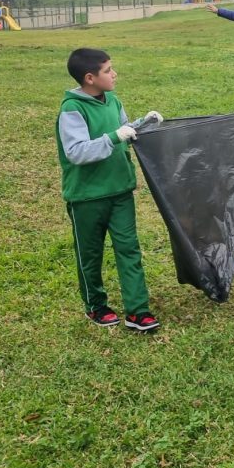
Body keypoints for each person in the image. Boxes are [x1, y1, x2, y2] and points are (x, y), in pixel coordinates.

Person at [56, 48, 165, 331]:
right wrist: (114, 137)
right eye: (108, 71)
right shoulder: (72, 109)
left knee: (129, 249)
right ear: (90, 78)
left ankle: (138, 311)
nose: (114, 74)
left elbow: (124, 131)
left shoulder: (113, 100)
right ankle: (96, 306)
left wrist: (143, 124)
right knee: (89, 254)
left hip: (120, 191)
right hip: (86, 197)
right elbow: (76, 152)